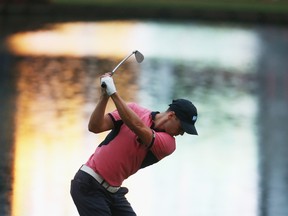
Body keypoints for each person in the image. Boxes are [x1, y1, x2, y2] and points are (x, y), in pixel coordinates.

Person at [70, 72, 198, 216]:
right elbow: (95, 127)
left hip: (113, 192)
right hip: (88, 185)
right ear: (171, 116)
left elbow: (138, 127)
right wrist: (104, 96)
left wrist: (114, 93)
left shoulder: (169, 144)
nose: (181, 133)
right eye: (182, 128)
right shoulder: (134, 110)